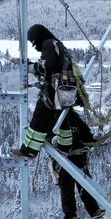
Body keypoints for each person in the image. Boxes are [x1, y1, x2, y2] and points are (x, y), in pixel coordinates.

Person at [11, 24, 76, 159]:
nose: (34, 46)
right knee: (62, 117)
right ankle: (65, 147)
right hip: (65, 89)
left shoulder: (48, 44)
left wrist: (29, 67)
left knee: (40, 118)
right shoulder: (58, 45)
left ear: (38, 37)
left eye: (33, 42)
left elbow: (48, 66)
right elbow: (53, 65)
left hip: (54, 89)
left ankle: (29, 150)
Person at [52, 108, 103, 219]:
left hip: (78, 158)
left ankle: (94, 210)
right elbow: (46, 136)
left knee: (86, 186)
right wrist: (52, 140)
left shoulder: (74, 118)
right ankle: (70, 216)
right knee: (67, 189)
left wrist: (93, 138)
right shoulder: (52, 119)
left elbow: (85, 135)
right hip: (64, 159)